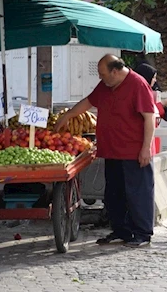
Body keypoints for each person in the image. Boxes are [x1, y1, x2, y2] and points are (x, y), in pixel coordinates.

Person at [55, 55, 156, 248]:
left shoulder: (138, 84)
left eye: (103, 74)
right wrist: (68, 115)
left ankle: (142, 234)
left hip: (133, 151)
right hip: (112, 150)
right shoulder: (106, 86)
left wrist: (145, 148)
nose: (100, 79)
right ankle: (121, 231)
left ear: (115, 72)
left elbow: (149, 118)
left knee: (138, 193)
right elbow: (89, 101)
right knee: (114, 193)